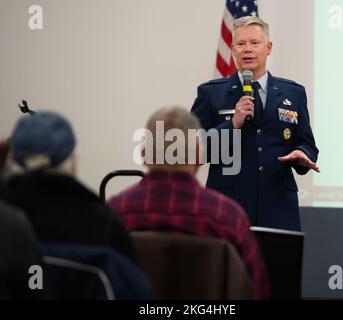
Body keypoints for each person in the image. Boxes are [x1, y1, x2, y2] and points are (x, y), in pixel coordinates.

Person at [108, 106, 269, 299]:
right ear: (199, 155)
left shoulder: (116, 213)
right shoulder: (228, 218)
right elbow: (258, 292)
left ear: (143, 153)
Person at [191, 16, 319, 231]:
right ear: (232, 50)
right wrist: (232, 125)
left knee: (279, 265)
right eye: (241, 44)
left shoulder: (293, 93)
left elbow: (307, 144)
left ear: (268, 48)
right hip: (227, 208)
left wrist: (301, 155)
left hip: (279, 208)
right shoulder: (211, 93)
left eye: (254, 43)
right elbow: (193, 151)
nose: (247, 49)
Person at [4, 111, 135, 261]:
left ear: (10, 159)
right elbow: (130, 281)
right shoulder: (105, 225)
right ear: (73, 161)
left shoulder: (6, 219)